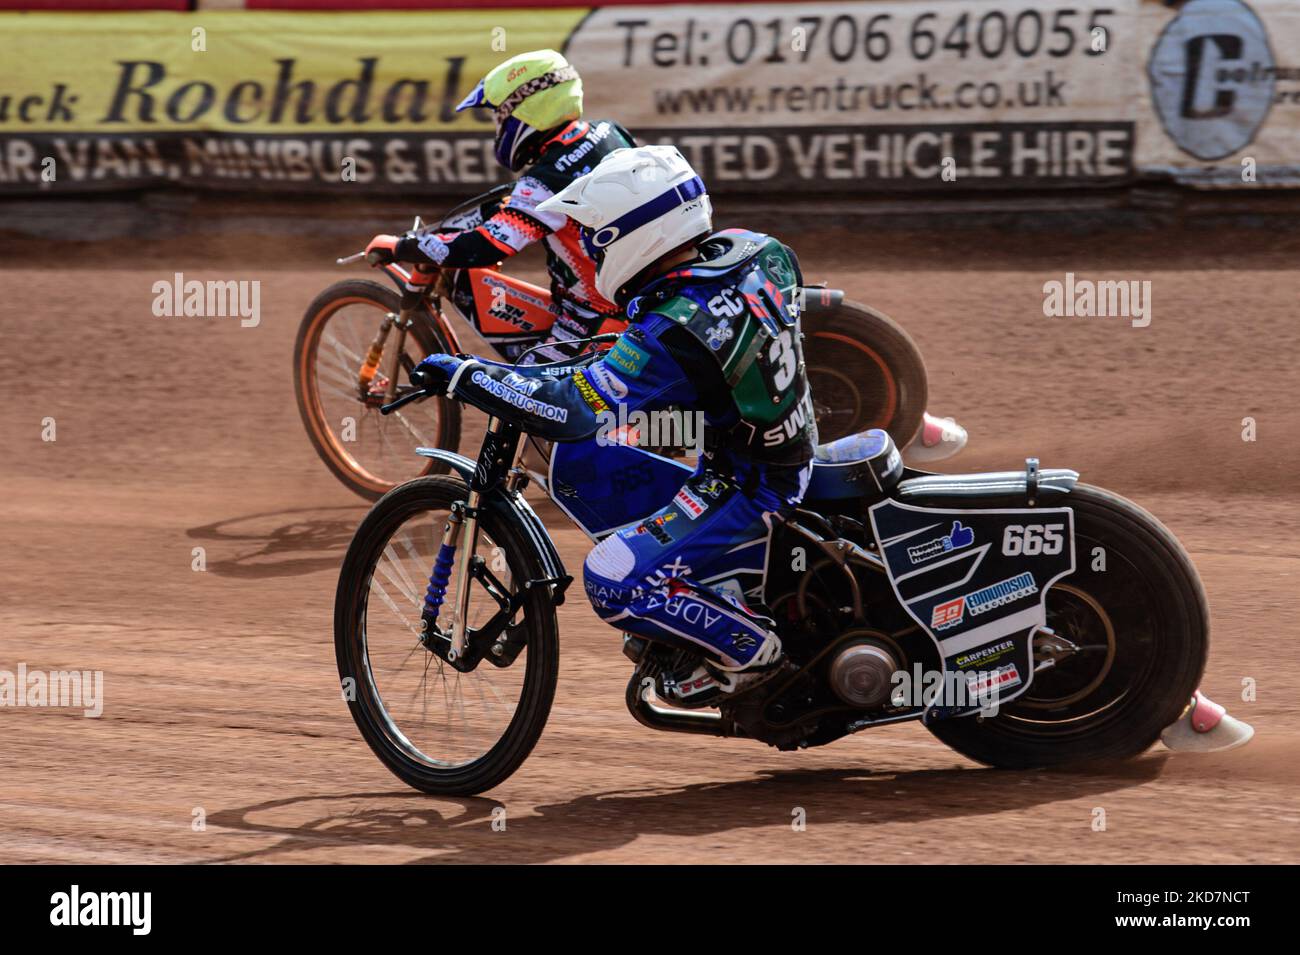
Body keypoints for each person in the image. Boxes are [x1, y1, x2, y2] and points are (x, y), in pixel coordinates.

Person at [403, 145, 812, 704]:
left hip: (747, 482)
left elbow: (572, 408)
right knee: (621, 444)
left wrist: (467, 376)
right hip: (759, 435)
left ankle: (755, 653)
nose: (591, 252)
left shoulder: (671, 328)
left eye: (597, 237)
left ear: (635, 233)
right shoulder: (761, 251)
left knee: (611, 578)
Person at [365, 49, 635, 363]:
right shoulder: (612, 133)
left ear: (525, 110)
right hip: (643, 301)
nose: (499, 126)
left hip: (591, 322)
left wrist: (402, 247)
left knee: (514, 400)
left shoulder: (546, 180)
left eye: (500, 116)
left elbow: (486, 247)